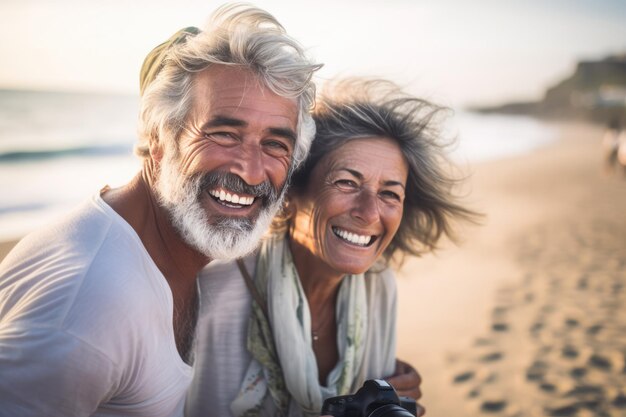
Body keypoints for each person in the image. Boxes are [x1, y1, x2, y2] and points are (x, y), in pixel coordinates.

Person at [0, 4, 320, 416]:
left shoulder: (180, 247)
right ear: (157, 137)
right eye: (223, 134)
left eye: (276, 144)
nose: (252, 170)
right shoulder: (93, 307)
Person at [187, 79, 477, 417]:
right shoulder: (214, 298)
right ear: (291, 195)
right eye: (347, 183)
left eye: (389, 193)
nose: (369, 212)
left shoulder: (377, 289)